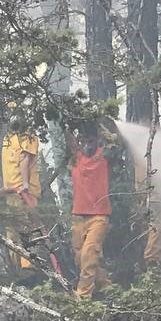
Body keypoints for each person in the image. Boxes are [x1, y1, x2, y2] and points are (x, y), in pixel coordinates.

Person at [68, 124, 112, 299]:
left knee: (88, 253)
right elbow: (69, 138)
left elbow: (113, 139)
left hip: (99, 216)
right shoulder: (77, 157)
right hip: (78, 217)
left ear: (97, 142)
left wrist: (100, 124)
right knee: (81, 258)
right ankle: (107, 288)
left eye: (90, 141)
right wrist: (67, 123)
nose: (87, 145)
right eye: (83, 141)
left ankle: (82, 297)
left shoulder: (102, 157)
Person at [0, 127, 41, 272]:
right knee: (15, 231)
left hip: (21, 192)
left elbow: (24, 158)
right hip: (14, 192)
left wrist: (24, 184)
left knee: (23, 228)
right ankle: (21, 268)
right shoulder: (10, 137)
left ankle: (27, 267)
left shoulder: (24, 135)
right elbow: (14, 164)